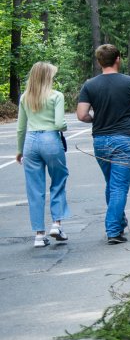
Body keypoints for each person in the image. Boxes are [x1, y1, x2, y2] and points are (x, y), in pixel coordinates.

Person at [77, 44, 130, 244]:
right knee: (118, 187)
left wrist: (95, 118)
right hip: (123, 140)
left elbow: (81, 114)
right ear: (118, 58)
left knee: (112, 184)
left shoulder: (89, 85)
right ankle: (113, 231)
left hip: (100, 141)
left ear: (99, 61)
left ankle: (118, 221)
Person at [16, 62, 70, 248]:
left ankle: (39, 234)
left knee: (34, 189)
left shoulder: (25, 97)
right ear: (48, 77)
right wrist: (64, 126)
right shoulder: (56, 96)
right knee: (58, 180)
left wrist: (19, 150)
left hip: (30, 142)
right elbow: (59, 124)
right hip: (50, 140)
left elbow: (21, 128)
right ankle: (56, 224)